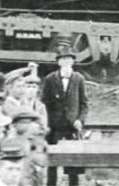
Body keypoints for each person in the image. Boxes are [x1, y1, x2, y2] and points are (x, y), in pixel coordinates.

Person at [41, 46, 88, 186]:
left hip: (71, 127)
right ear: (59, 62)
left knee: (73, 163)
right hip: (54, 127)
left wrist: (80, 120)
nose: (67, 62)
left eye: (69, 59)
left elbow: (84, 104)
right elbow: (44, 104)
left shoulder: (79, 79)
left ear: (73, 62)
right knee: (52, 162)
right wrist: (47, 124)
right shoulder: (50, 79)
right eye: (64, 59)